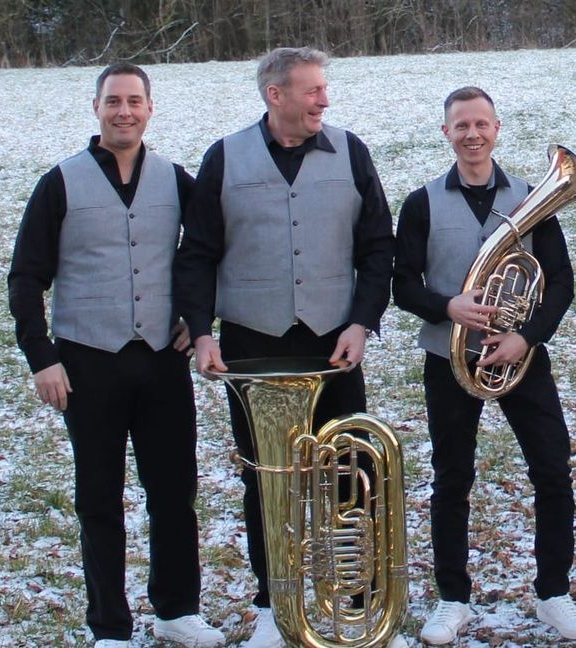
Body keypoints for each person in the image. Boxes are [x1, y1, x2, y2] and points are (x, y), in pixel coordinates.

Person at [173, 47, 394, 648]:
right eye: (313, 90)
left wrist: (361, 323)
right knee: (267, 480)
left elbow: (378, 248)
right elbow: (197, 254)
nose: (325, 99)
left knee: (352, 473)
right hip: (253, 342)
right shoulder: (224, 156)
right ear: (276, 96)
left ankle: (358, 604)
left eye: (325, 88)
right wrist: (200, 330)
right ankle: (273, 606)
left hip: (334, 343)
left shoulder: (352, 152)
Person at [7, 63, 224, 648]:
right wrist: (41, 356)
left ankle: (177, 610)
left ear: (150, 108)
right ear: (96, 107)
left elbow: (208, 255)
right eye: (113, 101)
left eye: (134, 101)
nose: (123, 111)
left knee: (175, 492)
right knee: (99, 497)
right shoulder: (60, 183)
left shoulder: (177, 180)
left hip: (160, 361)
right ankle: (109, 627)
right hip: (87, 363)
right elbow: (26, 276)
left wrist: (197, 321)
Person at [392, 86, 576, 643]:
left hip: (519, 358)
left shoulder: (533, 197)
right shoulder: (421, 202)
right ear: (446, 133)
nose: (473, 134)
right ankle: (452, 598)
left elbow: (559, 281)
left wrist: (526, 336)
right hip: (448, 359)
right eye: (461, 125)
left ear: (497, 128)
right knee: (452, 477)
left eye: (481, 123)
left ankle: (553, 593)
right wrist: (447, 305)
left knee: (552, 469)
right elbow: (402, 284)